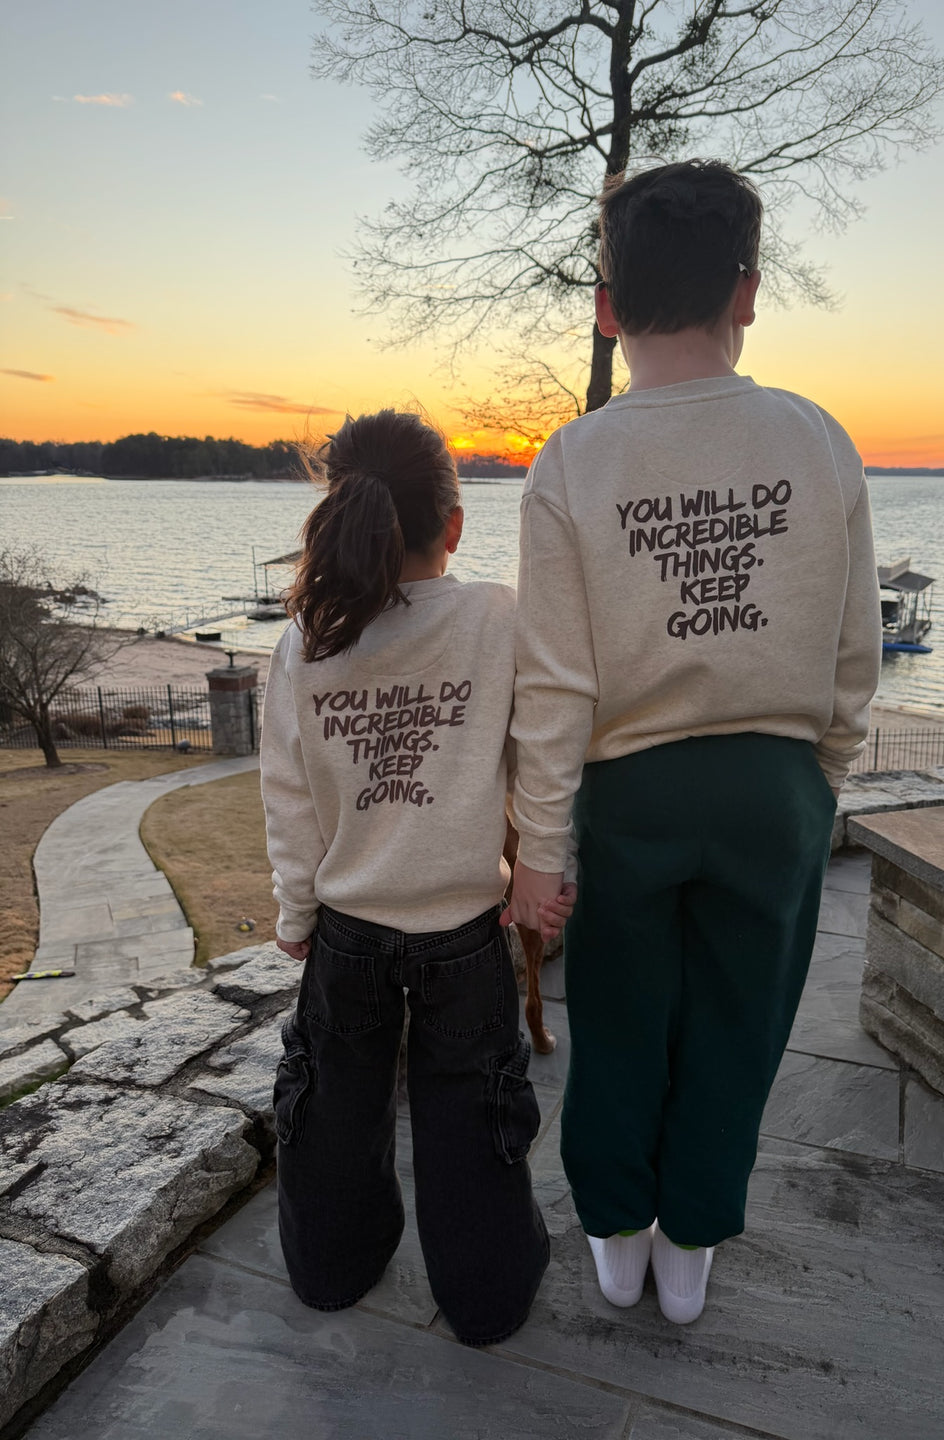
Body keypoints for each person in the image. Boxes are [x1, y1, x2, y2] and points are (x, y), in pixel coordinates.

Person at [503, 161, 881, 1325]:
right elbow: (852, 648)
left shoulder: (574, 459)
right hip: (771, 787)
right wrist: (817, 774)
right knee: (740, 1024)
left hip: (627, 795)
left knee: (617, 1019)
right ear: (750, 291)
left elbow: (554, 682)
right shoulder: (820, 442)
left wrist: (537, 846)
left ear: (608, 308)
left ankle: (618, 1229)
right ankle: (696, 1236)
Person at [261, 409, 569, 1346]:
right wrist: (537, 865)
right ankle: (485, 1299)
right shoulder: (495, 617)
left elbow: (290, 799)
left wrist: (294, 911)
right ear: (455, 523)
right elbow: (546, 753)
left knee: (330, 1123)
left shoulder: (304, 646)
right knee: (473, 1129)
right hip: (465, 938)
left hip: (349, 935)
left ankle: (330, 1272)